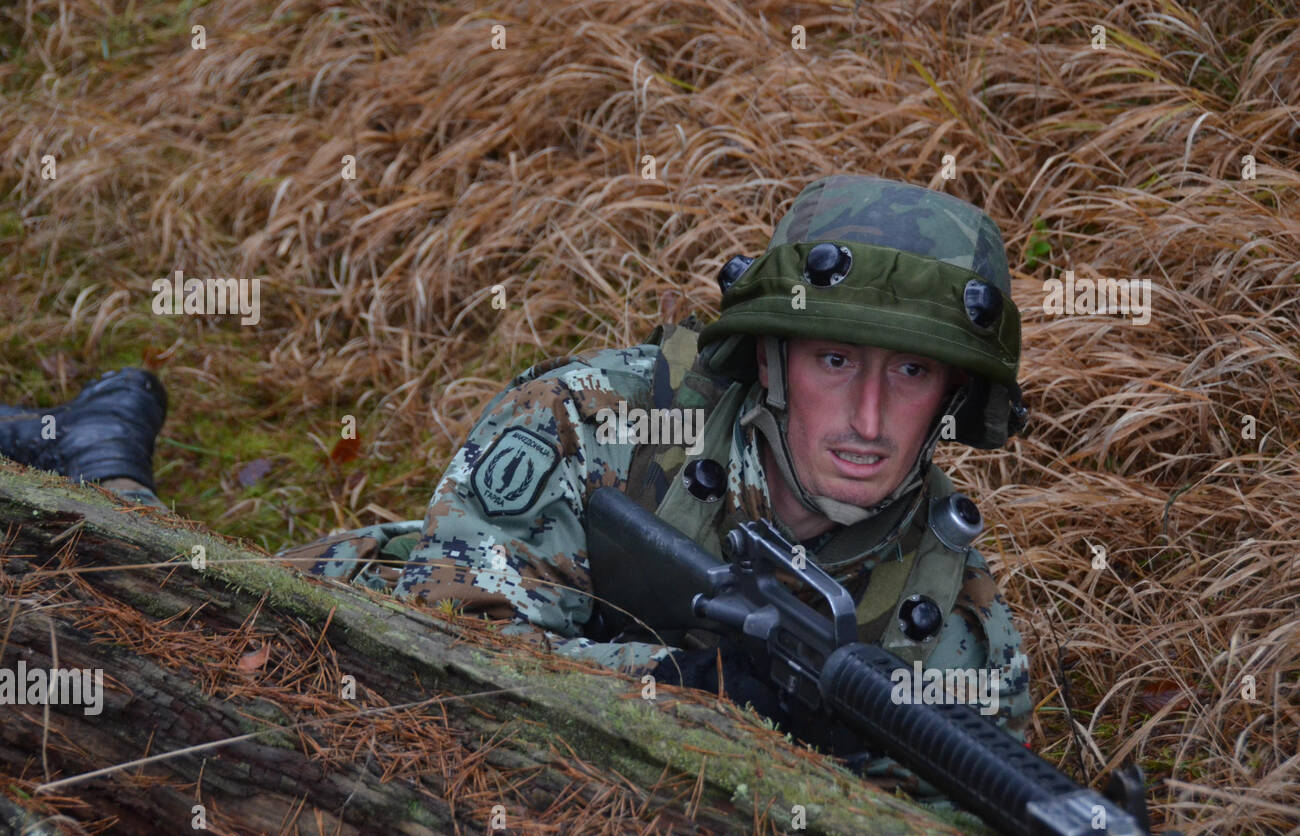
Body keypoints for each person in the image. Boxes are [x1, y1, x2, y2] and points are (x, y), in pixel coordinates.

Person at [0, 175, 1032, 778]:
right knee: (113, 614)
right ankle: (102, 466)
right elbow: (454, 633)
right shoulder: (598, 417)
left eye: (908, 373)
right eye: (835, 362)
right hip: (343, 652)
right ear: (768, 359)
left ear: (951, 397)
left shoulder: (959, 628)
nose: (865, 418)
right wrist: (690, 692)